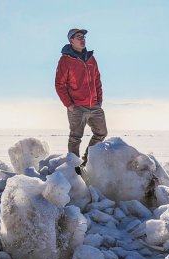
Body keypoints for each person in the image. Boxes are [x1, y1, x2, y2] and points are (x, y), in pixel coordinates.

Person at [55, 28, 107, 174]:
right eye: (78, 37)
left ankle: (85, 162)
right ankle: (74, 169)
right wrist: (69, 104)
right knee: (75, 137)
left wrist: (99, 100)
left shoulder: (91, 58)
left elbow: (97, 80)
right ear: (71, 40)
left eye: (83, 36)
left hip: (94, 105)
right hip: (77, 106)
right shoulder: (66, 60)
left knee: (101, 133)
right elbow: (59, 84)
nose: (82, 39)